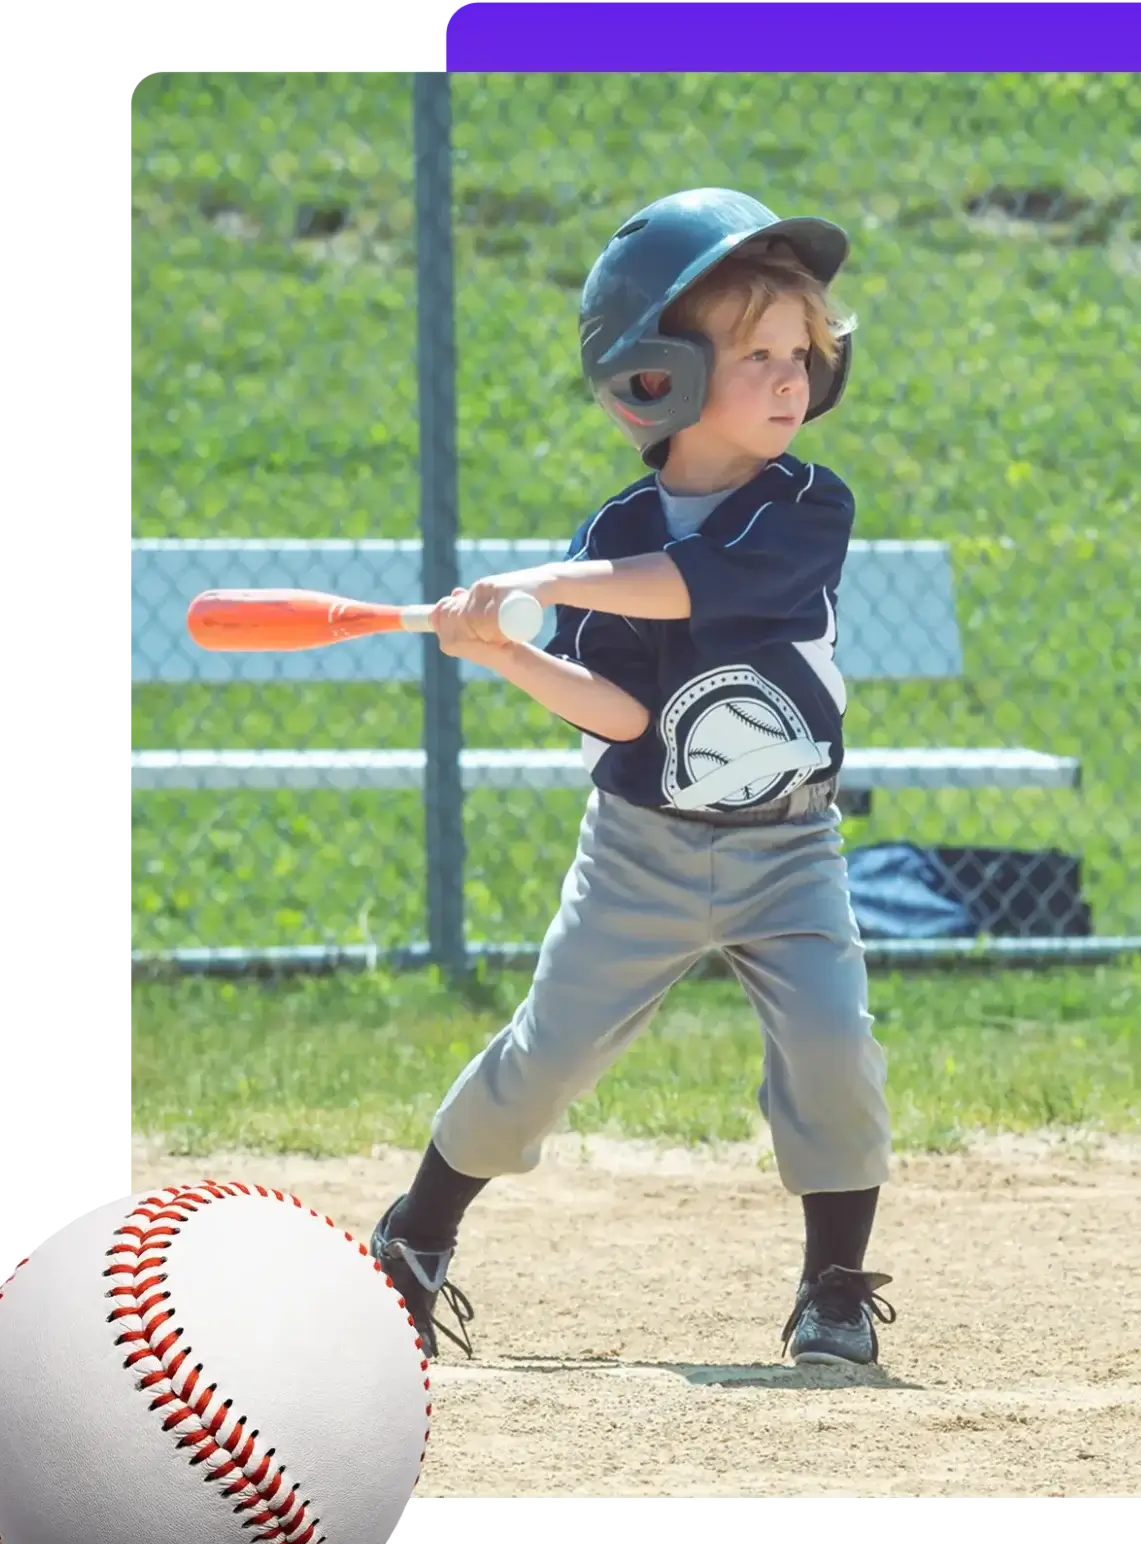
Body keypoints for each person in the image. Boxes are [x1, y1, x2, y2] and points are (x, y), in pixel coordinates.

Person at [369, 187, 897, 1369]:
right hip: (641, 851)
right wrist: (508, 652)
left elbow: (693, 583)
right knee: (546, 1055)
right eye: (755, 353)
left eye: (800, 353)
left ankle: (836, 1285)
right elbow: (619, 714)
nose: (789, 376)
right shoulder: (615, 533)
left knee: (830, 1047)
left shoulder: (805, 506)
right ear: (656, 374)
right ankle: (415, 1237)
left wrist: (549, 587)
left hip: (789, 850)